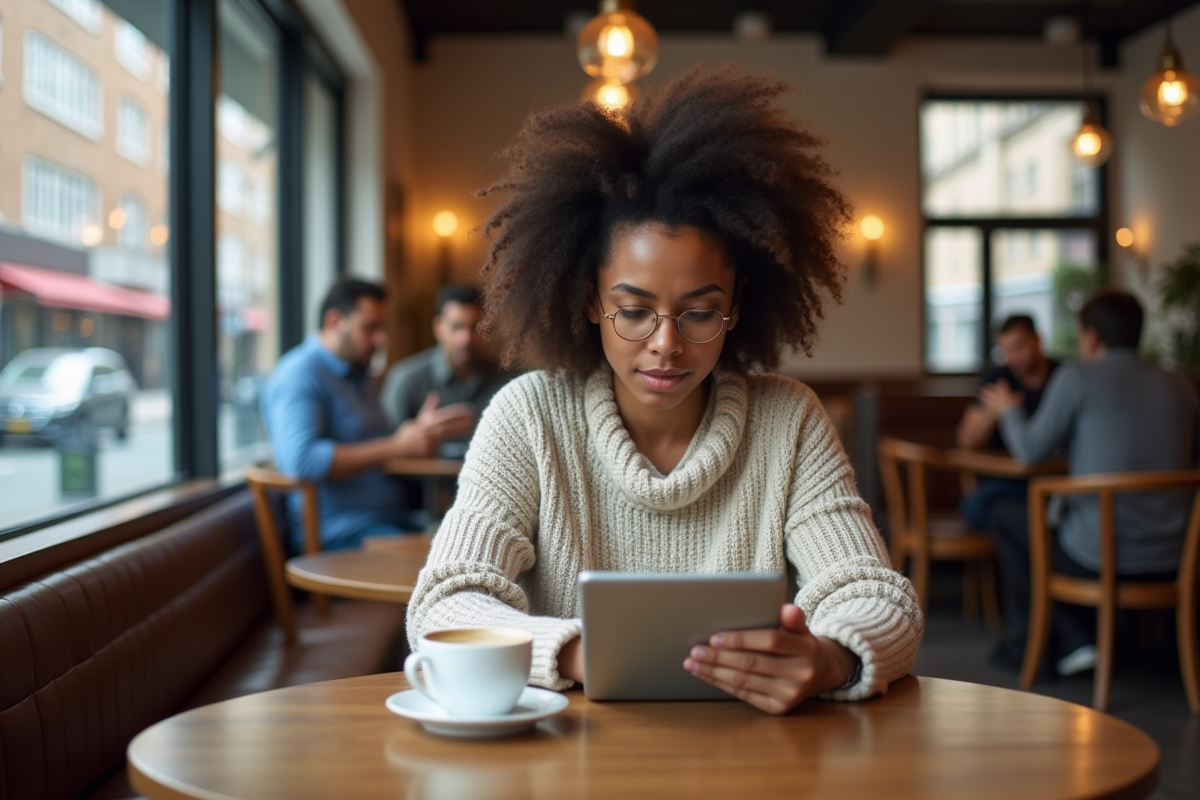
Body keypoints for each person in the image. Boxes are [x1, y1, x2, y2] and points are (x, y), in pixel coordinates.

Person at [405, 67, 924, 715]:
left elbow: (878, 596)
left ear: (738, 306)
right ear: (590, 302)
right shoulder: (528, 415)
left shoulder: (788, 419)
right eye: (634, 310)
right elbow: (443, 606)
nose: (666, 344)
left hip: (753, 759)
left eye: (700, 312)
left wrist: (830, 657)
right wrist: (575, 652)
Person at [980, 290, 1200, 675]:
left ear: (1092, 337)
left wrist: (1009, 412)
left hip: (1098, 560)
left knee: (1003, 514)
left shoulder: (1076, 377)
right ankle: (1089, 637)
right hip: (1177, 556)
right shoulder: (1181, 385)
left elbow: (1030, 450)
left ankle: (1041, 642)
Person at [260, 278, 475, 551]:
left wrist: (417, 436)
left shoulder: (356, 376)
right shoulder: (299, 374)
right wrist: (397, 445)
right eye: (370, 328)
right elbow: (302, 461)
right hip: (340, 533)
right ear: (335, 320)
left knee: (470, 541)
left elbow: (378, 446)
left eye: (382, 328)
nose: (381, 339)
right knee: (450, 556)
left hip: (388, 520)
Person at [380, 284, 511, 458]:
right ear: (438, 327)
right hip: (423, 484)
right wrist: (413, 438)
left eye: (474, 328)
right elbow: (385, 449)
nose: (465, 339)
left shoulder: (506, 379)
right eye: (456, 327)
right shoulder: (406, 378)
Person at [956, 314, 1059, 529]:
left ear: (1037, 340)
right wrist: (995, 412)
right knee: (975, 507)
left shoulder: (1063, 376)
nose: (1012, 358)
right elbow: (965, 441)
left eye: (1019, 347)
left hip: (1056, 481)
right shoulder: (998, 380)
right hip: (1009, 483)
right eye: (1006, 350)